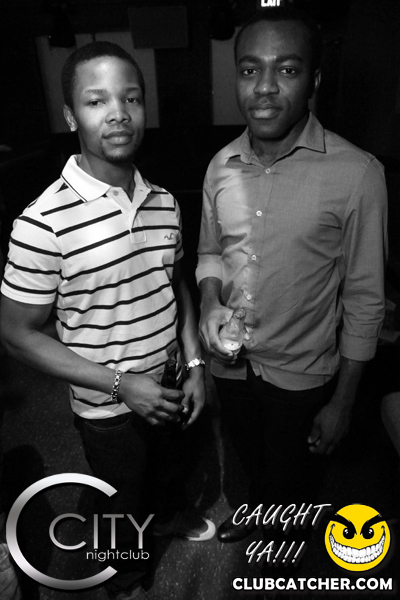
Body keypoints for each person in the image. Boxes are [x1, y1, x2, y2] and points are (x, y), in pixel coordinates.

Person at [0, 41, 215, 600]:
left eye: (131, 98)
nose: (118, 113)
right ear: (71, 116)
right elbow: (16, 334)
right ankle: (127, 579)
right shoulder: (41, 222)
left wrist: (194, 363)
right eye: (97, 101)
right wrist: (123, 386)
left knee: (169, 471)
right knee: (121, 496)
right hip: (108, 407)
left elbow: (177, 286)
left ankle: (168, 518)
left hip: (169, 382)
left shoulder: (165, 201)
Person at [196, 6, 387, 547]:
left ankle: (283, 542)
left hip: (302, 376)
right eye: (249, 69)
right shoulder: (220, 166)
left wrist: (343, 403)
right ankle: (260, 512)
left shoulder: (358, 174)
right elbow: (210, 251)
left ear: (314, 80)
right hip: (230, 368)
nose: (264, 87)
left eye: (287, 69)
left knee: (293, 478)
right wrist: (209, 302)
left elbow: (366, 299)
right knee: (250, 460)